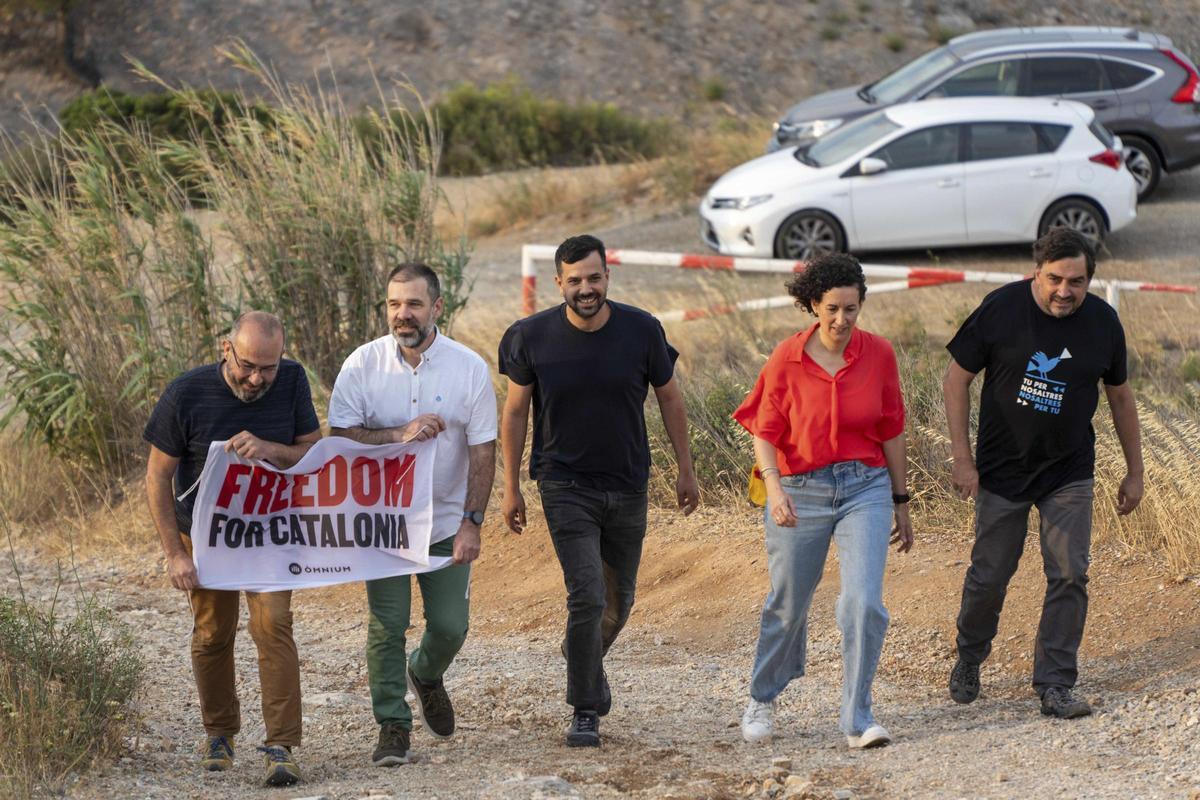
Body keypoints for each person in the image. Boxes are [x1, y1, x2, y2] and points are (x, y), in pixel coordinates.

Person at [498, 233, 700, 748]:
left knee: (619, 602)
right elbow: (516, 411)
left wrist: (686, 469)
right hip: (564, 484)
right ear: (558, 283)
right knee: (586, 595)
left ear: (607, 276)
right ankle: (585, 707)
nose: (585, 289)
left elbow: (671, 399)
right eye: (574, 281)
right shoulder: (530, 336)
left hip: (629, 483)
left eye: (594, 278)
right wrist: (511, 486)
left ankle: (580, 655)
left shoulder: (643, 330)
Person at [944, 227, 1143, 719]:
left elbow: (1120, 397)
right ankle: (970, 657)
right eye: (1054, 278)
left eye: (1076, 281)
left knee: (1071, 574)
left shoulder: (1103, 322)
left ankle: (1055, 683)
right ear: (1037, 271)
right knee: (990, 576)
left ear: (1089, 279)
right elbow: (956, 379)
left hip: (1069, 472)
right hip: (1001, 470)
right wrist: (962, 459)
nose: (1064, 291)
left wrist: (1135, 471)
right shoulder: (1001, 308)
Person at [733, 253, 913, 749]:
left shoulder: (879, 354)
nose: (841, 320)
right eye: (832, 309)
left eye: (851, 309)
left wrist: (901, 500)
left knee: (864, 603)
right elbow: (764, 432)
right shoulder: (786, 358)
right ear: (813, 304)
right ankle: (762, 697)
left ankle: (858, 718)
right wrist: (775, 491)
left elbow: (891, 429)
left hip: (865, 485)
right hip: (800, 486)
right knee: (789, 602)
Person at [328, 262, 497, 766]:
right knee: (387, 625)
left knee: (450, 627)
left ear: (437, 307)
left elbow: (483, 450)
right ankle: (392, 727)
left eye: (414, 304)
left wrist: (473, 522)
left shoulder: (469, 368)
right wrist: (396, 434)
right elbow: (338, 437)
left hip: (446, 523)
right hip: (383, 524)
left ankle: (424, 672)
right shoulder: (361, 365)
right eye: (394, 304)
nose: (403, 315)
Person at [144, 311, 321, 786]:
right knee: (212, 633)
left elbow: (312, 451)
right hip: (204, 536)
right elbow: (158, 476)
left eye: (268, 367)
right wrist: (174, 554)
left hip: (268, 531)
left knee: (274, 627)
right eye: (247, 365)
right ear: (226, 349)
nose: (257, 378)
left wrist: (270, 449)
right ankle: (219, 733)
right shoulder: (187, 392)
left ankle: (281, 746)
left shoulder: (292, 381)